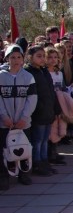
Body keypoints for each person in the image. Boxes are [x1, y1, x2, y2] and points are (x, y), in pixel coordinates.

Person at [0, 45, 37, 190]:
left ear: (23, 59)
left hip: (23, 122)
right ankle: (4, 176)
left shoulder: (28, 77)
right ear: (7, 58)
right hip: (5, 122)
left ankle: (24, 174)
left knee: (23, 149)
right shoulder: (1, 77)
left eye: (18, 57)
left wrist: (24, 117)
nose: (15, 60)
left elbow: (32, 98)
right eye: (12, 57)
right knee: (4, 149)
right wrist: (4, 116)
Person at [25, 46, 59, 177]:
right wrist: (39, 107)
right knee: (37, 140)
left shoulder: (44, 71)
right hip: (38, 112)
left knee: (45, 139)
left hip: (48, 111)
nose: (42, 59)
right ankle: (37, 163)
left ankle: (45, 162)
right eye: (38, 56)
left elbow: (51, 92)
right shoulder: (29, 72)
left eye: (42, 56)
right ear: (30, 57)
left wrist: (55, 108)